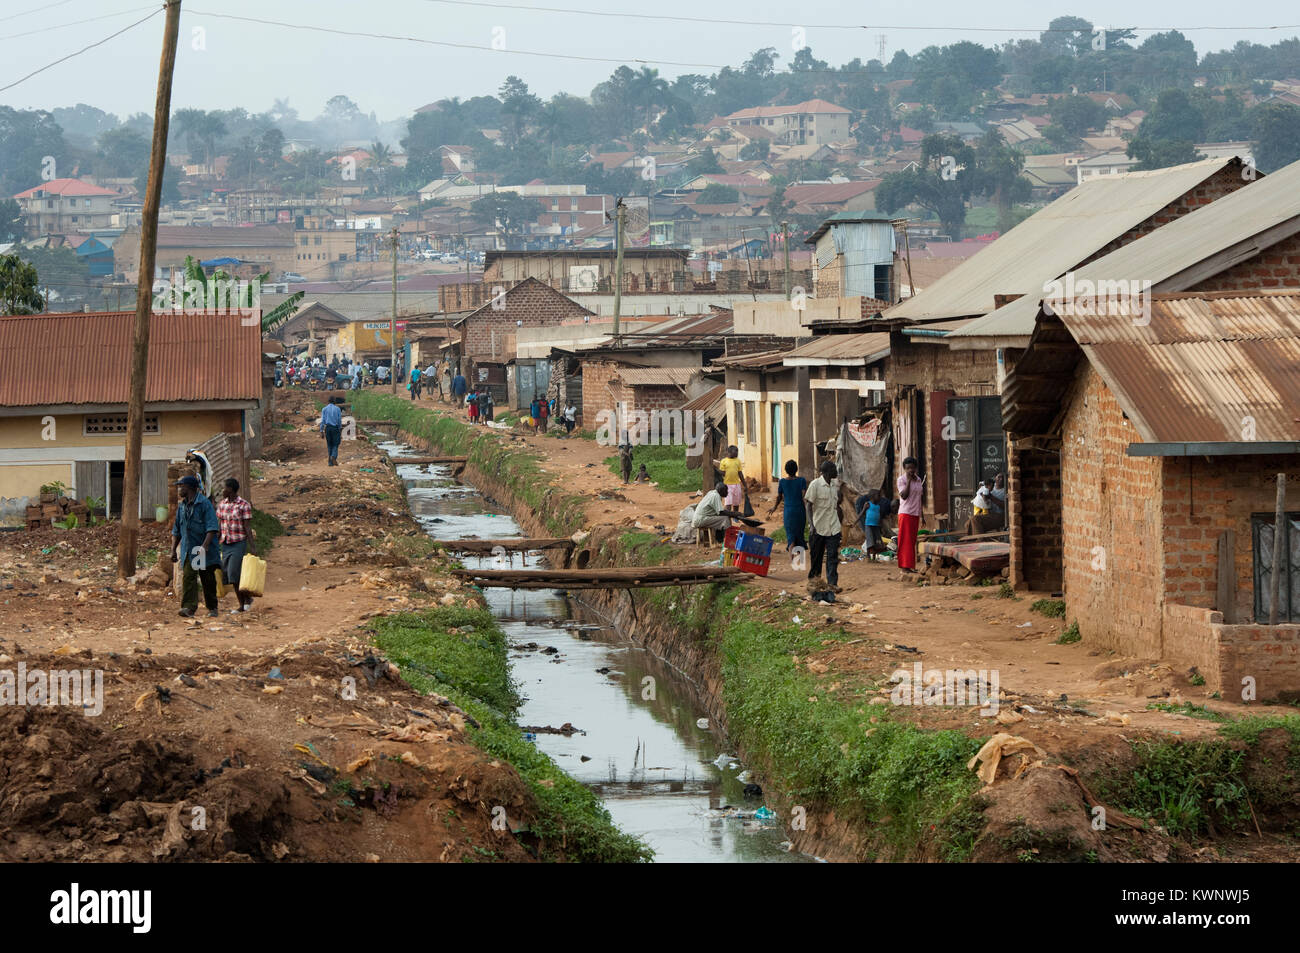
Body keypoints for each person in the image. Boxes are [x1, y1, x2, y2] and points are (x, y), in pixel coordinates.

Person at [171, 474, 220, 618]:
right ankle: (189, 607)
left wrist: (204, 547)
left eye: (182, 486)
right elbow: (177, 530)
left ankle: (212, 607)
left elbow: (212, 528)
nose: (179, 489)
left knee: (207, 579)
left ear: (190, 488)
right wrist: (173, 550)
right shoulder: (182, 507)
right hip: (189, 549)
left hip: (202, 549)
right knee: (189, 578)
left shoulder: (204, 504)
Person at [804, 460, 846, 592]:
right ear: (827, 472)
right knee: (816, 557)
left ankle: (832, 584)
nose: (836, 472)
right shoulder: (815, 485)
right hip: (818, 527)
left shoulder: (835, 485)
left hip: (833, 527)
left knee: (833, 557)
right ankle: (814, 583)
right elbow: (808, 505)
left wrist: (840, 523)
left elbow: (836, 506)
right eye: (834, 469)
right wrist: (811, 525)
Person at [216, 477, 256, 614]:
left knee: (233, 572)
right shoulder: (222, 504)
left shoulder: (243, 505)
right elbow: (220, 525)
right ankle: (246, 598)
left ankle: (242, 604)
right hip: (226, 543)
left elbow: (247, 527)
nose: (222, 490)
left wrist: (253, 546)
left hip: (238, 542)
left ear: (231, 489)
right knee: (228, 573)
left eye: (224, 488)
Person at [769, 459, 808, 552]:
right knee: (799, 534)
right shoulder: (802, 480)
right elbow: (804, 497)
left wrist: (774, 507)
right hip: (799, 511)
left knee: (790, 536)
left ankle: (793, 559)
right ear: (796, 469)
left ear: (786, 470)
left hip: (788, 512)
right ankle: (798, 563)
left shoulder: (782, 482)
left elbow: (779, 497)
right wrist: (809, 509)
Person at [896, 456, 925, 573]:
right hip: (905, 513)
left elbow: (919, 498)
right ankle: (904, 566)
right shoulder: (901, 480)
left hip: (915, 513)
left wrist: (922, 515)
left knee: (912, 540)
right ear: (904, 469)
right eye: (908, 468)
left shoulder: (918, 480)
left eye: (913, 468)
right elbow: (904, 495)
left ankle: (910, 566)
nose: (911, 470)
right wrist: (908, 481)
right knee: (905, 540)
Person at [856, 488, 885, 560]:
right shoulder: (868, 504)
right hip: (868, 525)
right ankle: (868, 556)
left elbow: (879, 517)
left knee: (876, 541)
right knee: (870, 540)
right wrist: (855, 522)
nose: (880, 497)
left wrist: (881, 526)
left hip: (876, 526)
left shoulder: (878, 506)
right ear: (873, 496)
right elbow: (861, 514)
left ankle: (874, 557)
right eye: (878, 496)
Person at [714, 445, 745, 512]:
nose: (737, 453)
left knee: (736, 503)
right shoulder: (724, 461)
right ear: (729, 452)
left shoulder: (738, 461)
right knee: (728, 503)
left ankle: (735, 517)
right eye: (735, 452)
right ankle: (727, 517)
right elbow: (723, 473)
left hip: (737, 485)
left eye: (737, 451)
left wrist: (744, 484)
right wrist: (716, 469)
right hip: (727, 486)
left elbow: (740, 473)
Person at [320, 395, 344, 466]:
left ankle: (330, 462)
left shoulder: (324, 409)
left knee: (329, 444)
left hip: (328, 428)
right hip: (335, 428)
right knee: (336, 444)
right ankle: (333, 456)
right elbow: (339, 420)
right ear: (335, 401)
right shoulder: (338, 409)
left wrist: (321, 431)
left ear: (328, 401)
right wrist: (340, 428)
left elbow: (323, 421)